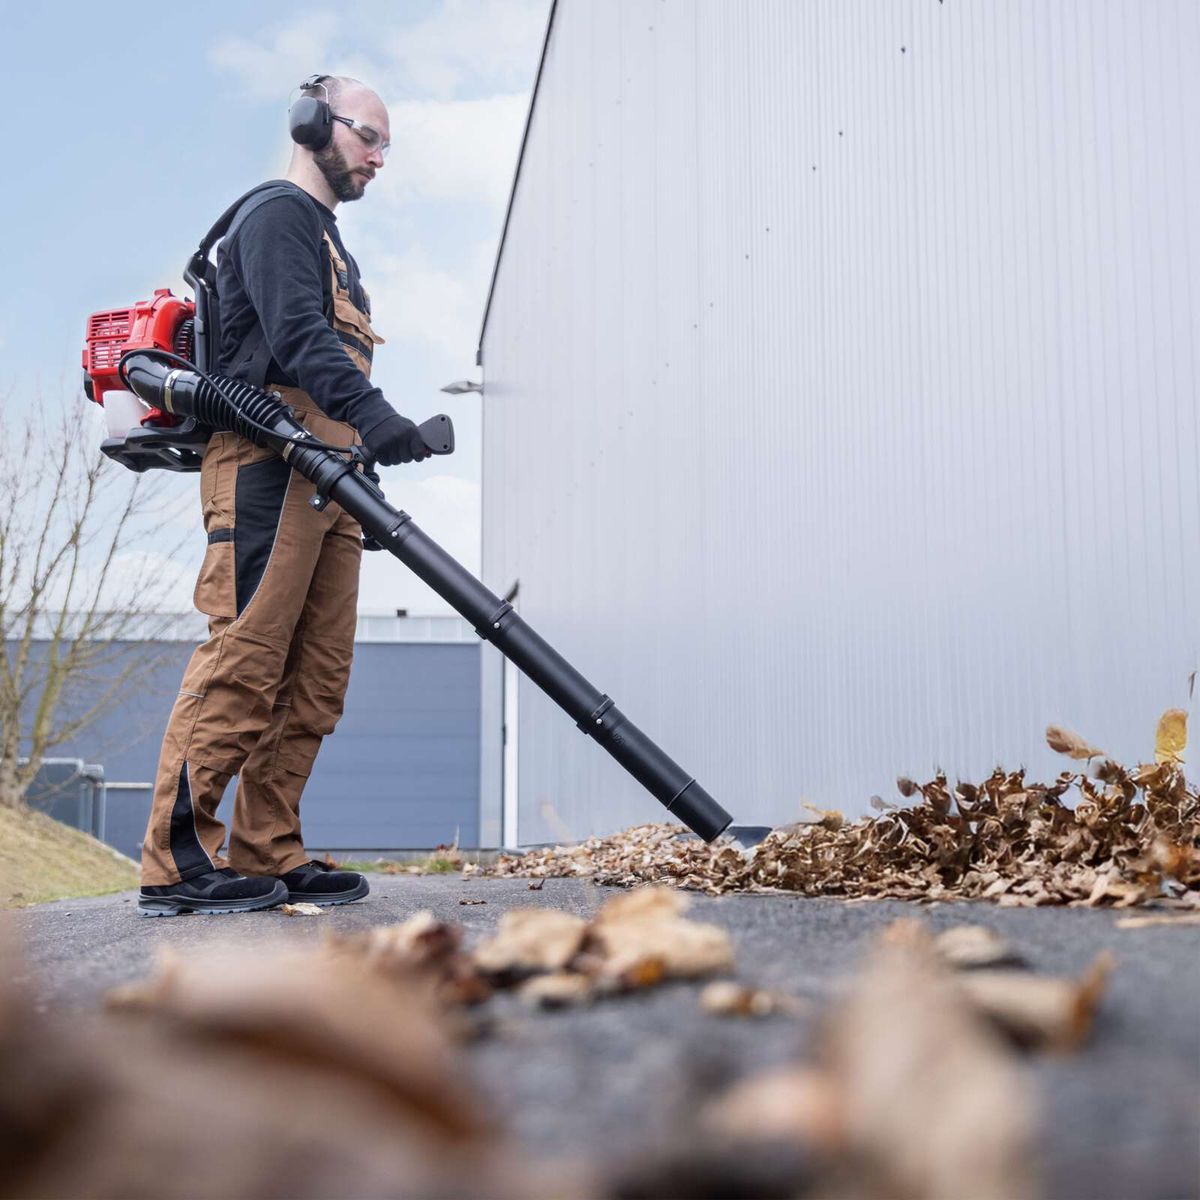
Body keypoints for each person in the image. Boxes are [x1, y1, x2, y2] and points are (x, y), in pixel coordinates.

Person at [137, 75, 426, 916]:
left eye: (385, 145)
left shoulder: (335, 244)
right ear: (311, 125)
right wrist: (379, 415)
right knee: (246, 658)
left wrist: (363, 454)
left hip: (331, 473)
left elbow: (324, 353)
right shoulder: (276, 216)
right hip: (266, 461)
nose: (378, 156)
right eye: (368, 136)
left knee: (316, 677)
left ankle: (269, 846)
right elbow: (298, 337)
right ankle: (177, 860)